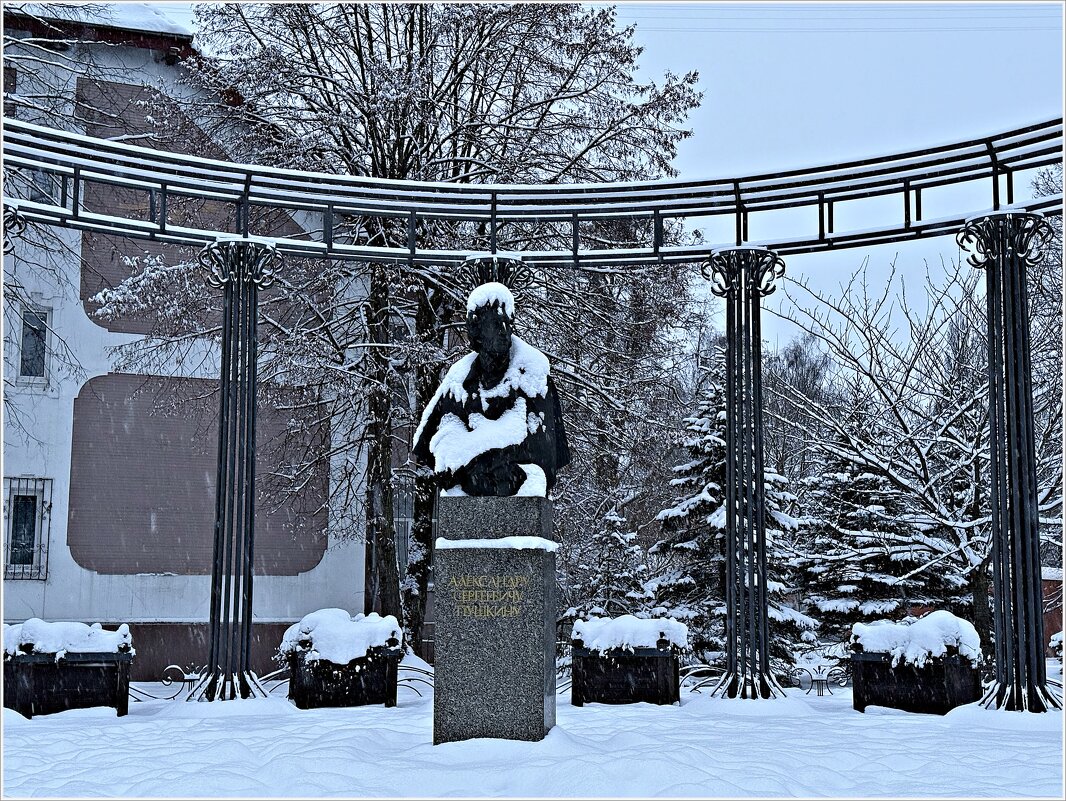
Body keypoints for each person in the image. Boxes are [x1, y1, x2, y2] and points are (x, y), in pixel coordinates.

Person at [412, 281, 570, 496]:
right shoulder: (457, 383)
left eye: (507, 323)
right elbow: (439, 453)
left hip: (520, 491)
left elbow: (543, 456)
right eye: (496, 324)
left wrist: (478, 459)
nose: (504, 331)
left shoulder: (534, 378)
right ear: (477, 332)